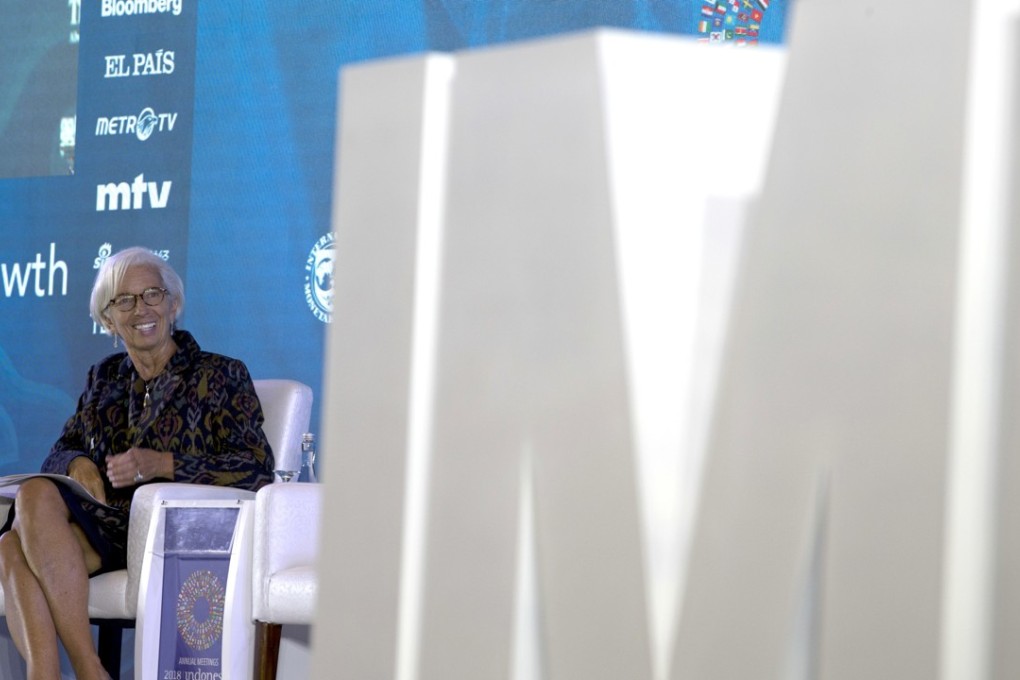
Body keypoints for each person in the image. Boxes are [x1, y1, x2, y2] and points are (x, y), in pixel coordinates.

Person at [0, 246, 274, 679]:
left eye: (151, 294)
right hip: (106, 527)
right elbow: (61, 447)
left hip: (172, 536)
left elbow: (257, 468)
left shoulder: (219, 375)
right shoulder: (104, 378)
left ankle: (84, 669)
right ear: (108, 320)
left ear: (174, 303)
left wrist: (162, 463)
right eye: (124, 300)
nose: (140, 308)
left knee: (14, 545)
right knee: (17, 527)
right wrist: (77, 464)